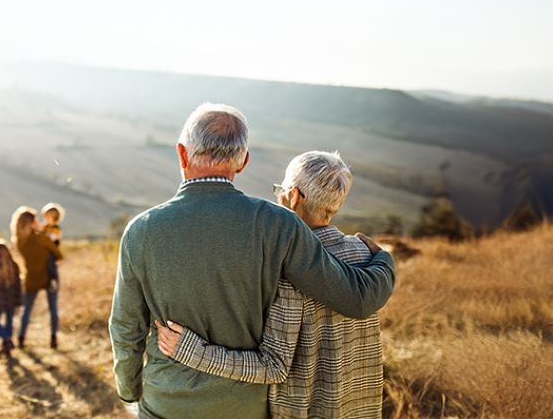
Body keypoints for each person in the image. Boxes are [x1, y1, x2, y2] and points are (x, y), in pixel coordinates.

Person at [109, 104, 396, 419]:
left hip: (166, 403)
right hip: (245, 407)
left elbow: (126, 327)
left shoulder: (142, 230)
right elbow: (354, 298)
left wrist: (130, 392)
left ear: (181, 153)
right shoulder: (278, 223)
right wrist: (382, 259)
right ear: (243, 161)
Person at [157, 151, 386, 418]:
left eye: (281, 190)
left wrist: (193, 352)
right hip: (361, 409)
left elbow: (274, 366)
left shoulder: (288, 267)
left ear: (294, 197)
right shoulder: (364, 253)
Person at [11, 206, 63, 350]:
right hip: (49, 276)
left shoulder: (19, 242)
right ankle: (53, 339)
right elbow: (58, 254)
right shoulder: (41, 238)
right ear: (32, 222)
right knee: (53, 308)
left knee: (26, 310)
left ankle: (21, 338)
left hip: (31, 277)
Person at [40, 202, 65, 292]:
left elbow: (54, 240)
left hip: (52, 251)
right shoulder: (44, 227)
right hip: (43, 251)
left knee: (51, 264)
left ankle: (53, 280)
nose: (47, 219)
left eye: (49, 216)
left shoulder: (56, 229)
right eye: (46, 216)